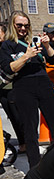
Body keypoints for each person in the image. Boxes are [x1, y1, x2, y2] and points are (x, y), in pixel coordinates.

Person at [0, 11, 54, 168]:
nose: (23, 28)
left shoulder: (33, 41)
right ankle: (35, 168)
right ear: (12, 25)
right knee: (30, 130)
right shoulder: (7, 45)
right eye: (19, 25)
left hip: (44, 83)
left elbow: (53, 59)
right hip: (23, 86)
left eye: (26, 25)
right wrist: (26, 56)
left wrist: (46, 45)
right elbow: (9, 69)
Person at [0, 22, 26, 155]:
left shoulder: (9, 46)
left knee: (18, 116)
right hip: (2, 89)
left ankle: (25, 142)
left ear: (5, 33)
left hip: (12, 87)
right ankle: (21, 142)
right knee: (11, 116)